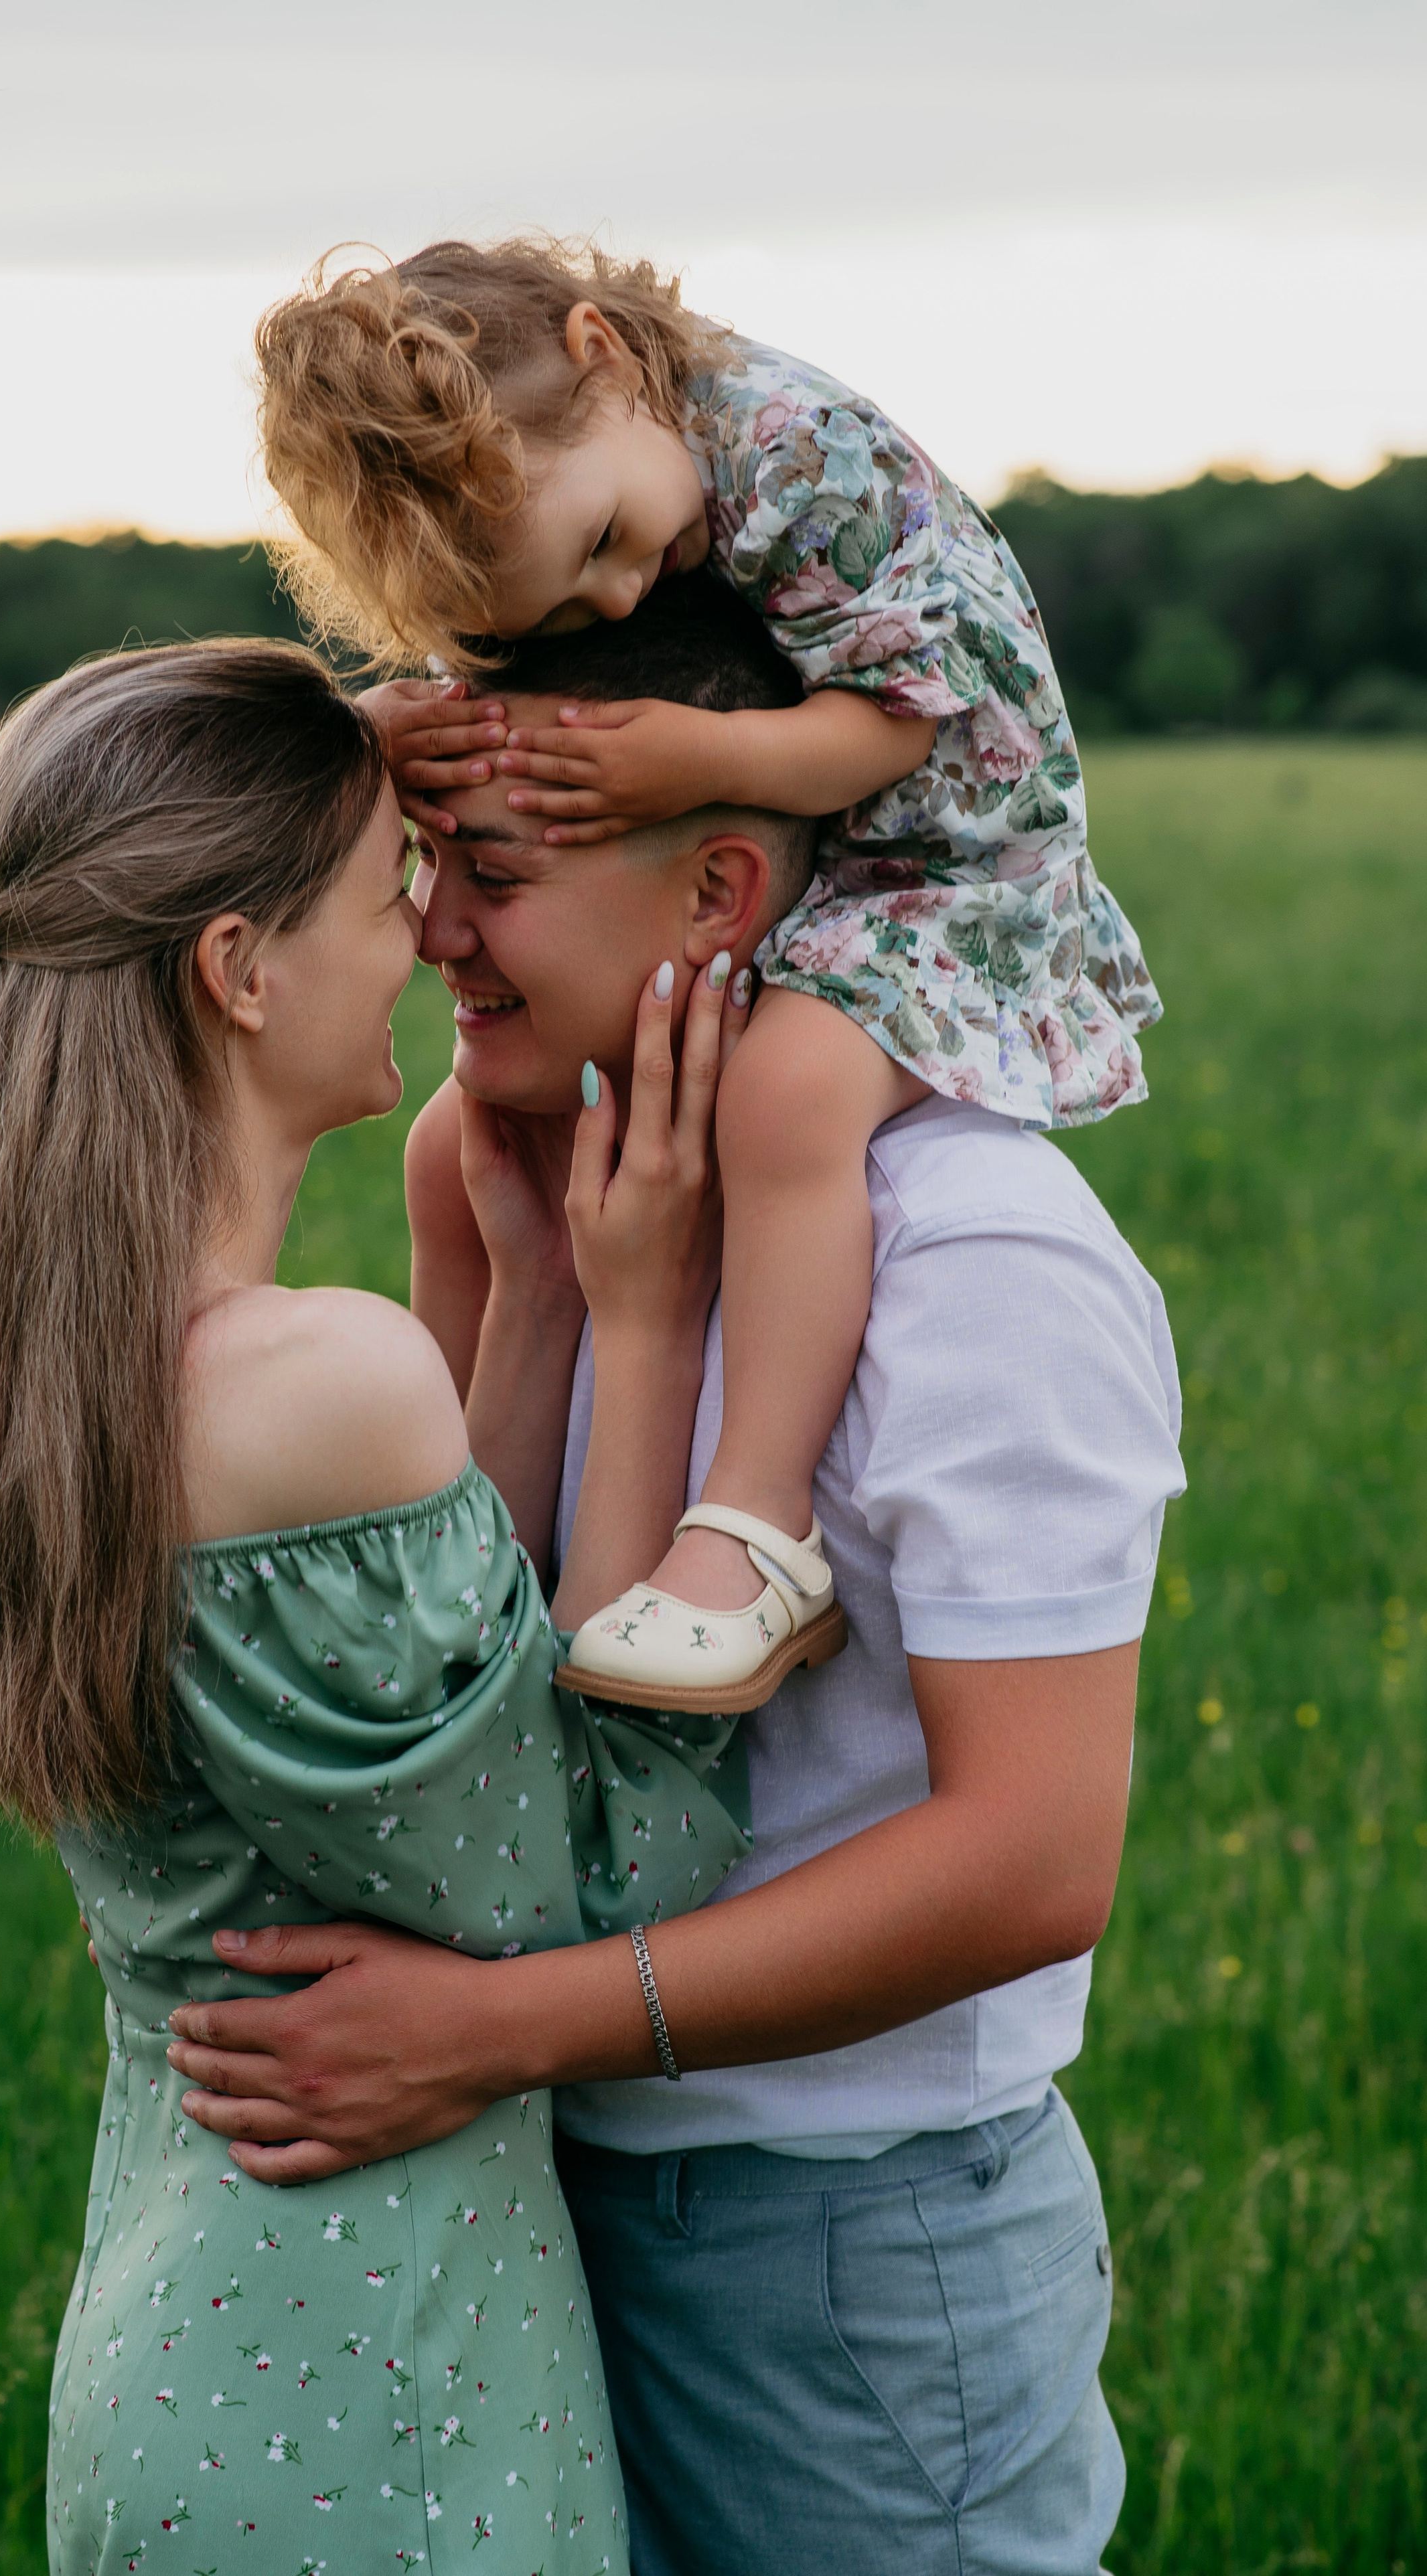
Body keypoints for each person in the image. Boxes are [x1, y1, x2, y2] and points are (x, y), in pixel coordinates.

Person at [164, 584, 1188, 2575]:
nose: (434, 931)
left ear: (721, 888)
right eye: (426, 867)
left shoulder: (977, 1260)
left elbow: (1035, 1859)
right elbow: (494, 1709)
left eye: (498, 872)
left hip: (846, 2239)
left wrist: (500, 2029)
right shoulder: (510, 1172)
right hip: (531, 2196)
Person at [0, 637, 761, 2576]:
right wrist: (650, 1327)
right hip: (378, 2392)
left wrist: (541, 1294)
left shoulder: (12, 1376)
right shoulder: (313, 1380)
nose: (427, 933)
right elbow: (600, 1863)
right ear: (238, 970)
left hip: (194, 2350)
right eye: (383, 892)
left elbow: (424, 1746)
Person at [252, 234, 1162, 1710]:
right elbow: (436, 1677)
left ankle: (757, 1524)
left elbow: (902, 725)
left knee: (790, 1091)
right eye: (541, 620)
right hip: (809, 838)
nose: (612, 606)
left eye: (498, 873)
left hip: (948, 856)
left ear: (605, 350)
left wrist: (702, 758)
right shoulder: (589, 490)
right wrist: (383, 729)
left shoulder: (800, 455)